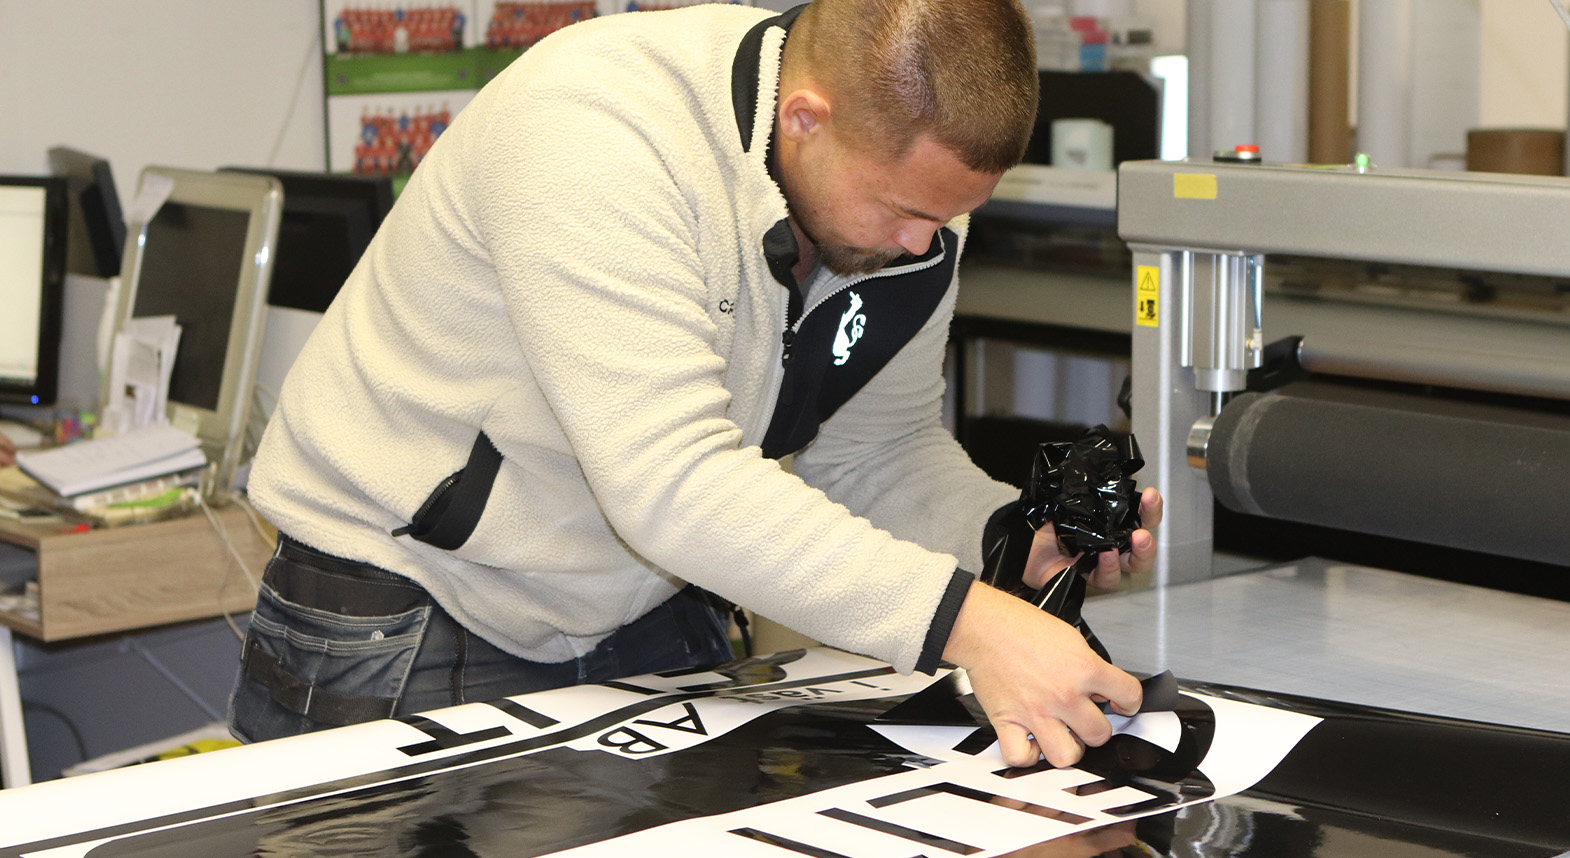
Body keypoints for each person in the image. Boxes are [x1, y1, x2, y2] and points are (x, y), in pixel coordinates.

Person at [230, 0, 1163, 769]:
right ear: (805, 118)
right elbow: (669, 479)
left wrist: (1006, 539)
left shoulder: (904, 198)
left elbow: (878, 450)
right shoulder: (596, 128)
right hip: (417, 599)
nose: (922, 245)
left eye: (951, 217)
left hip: (642, 599)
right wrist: (971, 624)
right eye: (903, 210)